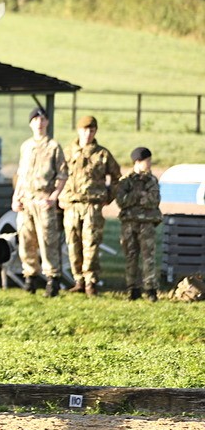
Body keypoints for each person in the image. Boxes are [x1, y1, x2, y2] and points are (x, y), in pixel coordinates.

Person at [58, 115, 121, 296]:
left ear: (95, 132)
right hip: (71, 205)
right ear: (78, 130)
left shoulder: (102, 154)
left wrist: (109, 196)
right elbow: (57, 176)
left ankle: (90, 282)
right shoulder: (68, 152)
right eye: (85, 130)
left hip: (92, 205)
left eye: (91, 130)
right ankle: (78, 279)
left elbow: (117, 177)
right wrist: (59, 196)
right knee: (72, 242)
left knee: (91, 243)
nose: (88, 134)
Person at [12, 107, 67, 297]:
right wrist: (15, 197)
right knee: (26, 240)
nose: (39, 123)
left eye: (42, 119)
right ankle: (30, 277)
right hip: (26, 199)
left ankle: (52, 279)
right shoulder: (26, 146)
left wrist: (54, 197)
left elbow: (62, 175)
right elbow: (20, 174)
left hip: (44, 199)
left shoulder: (53, 147)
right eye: (35, 119)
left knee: (47, 241)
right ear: (30, 123)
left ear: (47, 123)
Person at [115, 146, 162, 302]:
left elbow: (154, 200)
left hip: (147, 223)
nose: (149, 164)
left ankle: (150, 289)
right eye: (146, 161)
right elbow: (121, 201)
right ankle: (132, 288)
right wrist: (140, 195)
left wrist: (134, 198)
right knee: (131, 256)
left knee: (148, 257)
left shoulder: (152, 180)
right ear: (137, 161)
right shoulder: (125, 181)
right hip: (129, 223)